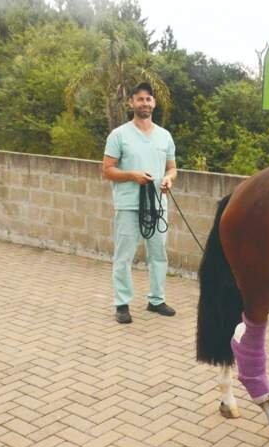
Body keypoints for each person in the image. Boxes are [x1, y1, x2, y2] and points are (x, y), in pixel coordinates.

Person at [102, 82, 177, 324]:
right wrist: (132, 175)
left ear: (154, 103)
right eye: (140, 99)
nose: (145, 103)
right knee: (124, 255)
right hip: (128, 205)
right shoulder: (119, 135)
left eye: (149, 99)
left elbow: (172, 168)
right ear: (131, 103)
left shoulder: (165, 136)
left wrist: (168, 179)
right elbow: (108, 170)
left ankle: (156, 300)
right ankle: (122, 304)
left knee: (159, 254)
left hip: (157, 205)